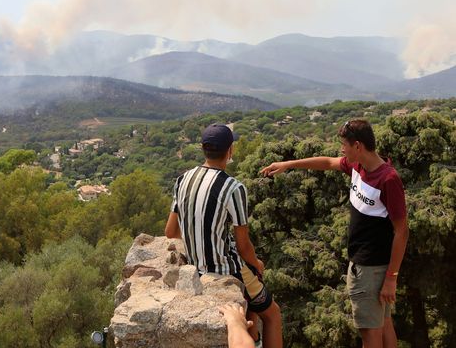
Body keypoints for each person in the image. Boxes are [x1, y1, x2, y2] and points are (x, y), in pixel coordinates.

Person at [260, 119, 408, 348]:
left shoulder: (387, 179)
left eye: (344, 144)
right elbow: (328, 162)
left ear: (358, 146)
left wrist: (391, 278)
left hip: (370, 269)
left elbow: (402, 231)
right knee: (384, 323)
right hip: (367, 266)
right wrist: (289, 164)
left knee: (370, 334)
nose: (341, 149)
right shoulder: (359, 167)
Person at [165, 123, 282, 348]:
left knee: (254, 283)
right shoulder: (233, 188)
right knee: (273, 314)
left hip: (195, 267)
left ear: (203, 149)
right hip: (225, 269)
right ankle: (255, 339)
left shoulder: (183, 180)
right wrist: (257, 263)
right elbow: (243, 245)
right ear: (230, 151)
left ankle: (253, 337)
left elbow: (170, 232)